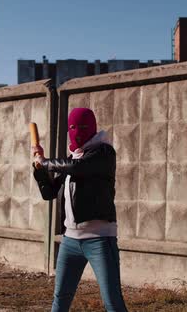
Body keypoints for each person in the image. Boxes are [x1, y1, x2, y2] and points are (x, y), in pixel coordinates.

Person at [32, 107, 127, 312]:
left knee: (112, 302)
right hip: (70, 241)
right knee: (60, 300)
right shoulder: (72, 158)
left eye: (83, 126)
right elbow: (49, 192)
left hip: (99, 239)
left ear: (93, 128)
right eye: (73, 127)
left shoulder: (103, 152)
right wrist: (39, 169)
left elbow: (78, 168)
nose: (77, 131)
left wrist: (46, 162)